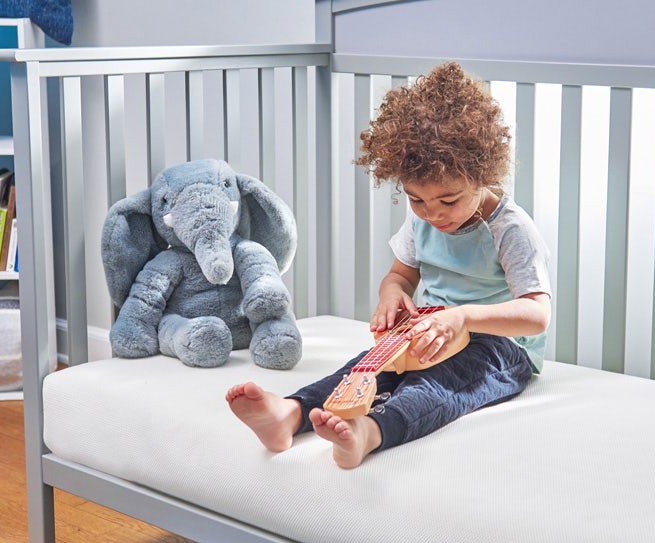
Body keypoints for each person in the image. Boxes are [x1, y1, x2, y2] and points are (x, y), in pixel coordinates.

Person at [226, 61, 552, 468]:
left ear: (481, 176)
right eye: (416, 198)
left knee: (438, 385)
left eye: (448, 200)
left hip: (498, 345)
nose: (432, 213)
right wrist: (392, 293)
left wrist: (464, 318)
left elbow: (537, 315)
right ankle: (289, 414)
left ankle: (370, 433)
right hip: (429, 331)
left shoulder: (509, 229)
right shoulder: (423, 217)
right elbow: (401, 274)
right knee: (365, 370)